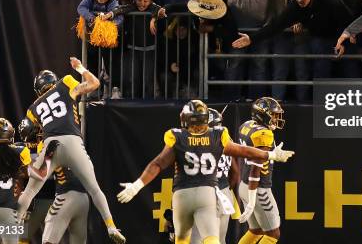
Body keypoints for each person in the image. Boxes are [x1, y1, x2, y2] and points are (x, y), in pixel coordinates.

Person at [116, 100, 294, 244]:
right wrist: (270, 154)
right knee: (213, 239)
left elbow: (158, 163)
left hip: (183, 195)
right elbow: (243, 152)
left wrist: (137, 185)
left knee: (183, 239)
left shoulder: (177, 135)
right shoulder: (218, 135)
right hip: (209, 193)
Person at [17, 57, 126, 243]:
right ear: (54, 81)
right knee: (94, 189)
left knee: (29, 191)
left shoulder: (33, 108)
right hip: (73, 141)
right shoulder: (65, 83)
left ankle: (13, 224)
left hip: (51, 145)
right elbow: (94, 83)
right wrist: (80, 68)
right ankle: (111, 226)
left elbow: (33, 130)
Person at [233, 0, 355, 80]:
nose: (299, 0)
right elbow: (276, 25)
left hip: (338, 34)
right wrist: (252, 39)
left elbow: (347, 20)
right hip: (317, 36)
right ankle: (318, 101)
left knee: (346, 66)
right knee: (317, 66)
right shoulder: (295, 5)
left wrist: (342, 42)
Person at [237, 98, 287, 244]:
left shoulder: (246, 126)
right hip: (258, 189)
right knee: (273, 234)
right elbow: (255, 169)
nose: (276, 118)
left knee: (256, 231)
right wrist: (252, 201)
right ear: (262, 114)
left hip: (244, 185)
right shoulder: (264, 134)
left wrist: (272, 153)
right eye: (273, 114)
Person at [189, 108, 240, 244]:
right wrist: (226, 191)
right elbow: (235, 172)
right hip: (223, 193)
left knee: (197, 240)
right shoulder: (226, 138)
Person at [16, 119, 54, 244]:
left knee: (22, 238)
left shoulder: (17, 149)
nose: (42, 133)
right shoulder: (46, 147)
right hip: (43, 198)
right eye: (39, 130)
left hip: (35, 199)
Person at [42, 166, 89, 244]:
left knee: (48, 241)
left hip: (65, 196)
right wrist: (110, 224)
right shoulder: (84, 155)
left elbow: (40, 174)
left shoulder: (55, 154)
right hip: (84, 198)